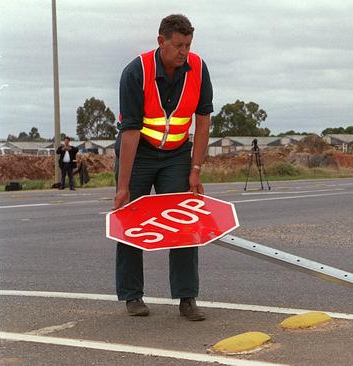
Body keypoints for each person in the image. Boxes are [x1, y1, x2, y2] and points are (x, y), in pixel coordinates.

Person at [113, 14, 213, 321]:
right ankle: (132, 296)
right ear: (161, 42)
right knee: (132, 223)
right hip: (139, 153)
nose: (184, 51)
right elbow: (130, 133)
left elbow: (203, 120)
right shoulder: (136, 73)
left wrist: (195, 169)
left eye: (188, 45)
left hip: (176, 155)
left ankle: (187, 297)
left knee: (183, 223)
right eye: (178, 45)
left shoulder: (197, 69)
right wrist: (123, 187)